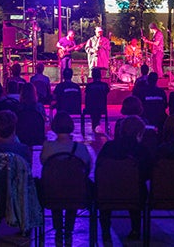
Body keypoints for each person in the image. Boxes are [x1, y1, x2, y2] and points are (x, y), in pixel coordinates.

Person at [97, 115, 150, 243]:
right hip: (134, 194)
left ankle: (105, 231)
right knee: (137, 185)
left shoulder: (108, 147)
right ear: (139, 132)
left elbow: (99, 169)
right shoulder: (142, 150)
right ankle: (136, 229)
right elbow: (147, 173)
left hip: (108, 193)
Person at [40, 111, 91, 244]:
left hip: (52, 192)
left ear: (54, 126)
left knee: (56, 185)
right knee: (72, 186)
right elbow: (88, 167)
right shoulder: (80, 148)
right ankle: (68, 230)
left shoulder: (48, 146)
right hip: (75, 192)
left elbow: (44, 163)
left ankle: (58, 229)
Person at [84, 68, 110, 132]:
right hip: (101, 107)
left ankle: (95, 123)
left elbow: (87, 96)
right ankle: (96, 123)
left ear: (92, 76)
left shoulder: (89, 86)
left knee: (94, 106)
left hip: (91, 107)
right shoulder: (104, 85)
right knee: (97, 106)